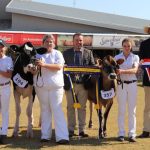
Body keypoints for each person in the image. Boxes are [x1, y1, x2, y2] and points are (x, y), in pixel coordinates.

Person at [33, 34, 69, 144]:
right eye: (47, 41)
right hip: (41, 87)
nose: (49, 43)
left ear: (54, 43)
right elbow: (34, 72)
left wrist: (43, 64)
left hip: (56, 87)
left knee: (57, 109)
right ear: (42, 43)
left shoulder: (58, 53)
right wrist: (34, 68)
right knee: (45, 110)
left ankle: (62, 136)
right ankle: (45, 135)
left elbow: (58, 67)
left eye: (51, 42)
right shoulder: (37, 54)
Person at [63, 33, 95, 138]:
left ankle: (82, 130)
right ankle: (71, 130)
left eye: (80, 40)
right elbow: (61, 68)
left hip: (83, 85)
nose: (79, 42)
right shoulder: (66, 53)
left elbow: (93, 67)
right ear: (73, 41)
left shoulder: (88, 52)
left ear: (83, 41)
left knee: (82, 108)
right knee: (70, 107)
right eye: (76, 40)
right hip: (70, 84)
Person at [114, 38, 139, 142]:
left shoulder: (135, 57)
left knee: (132, 111)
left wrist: (122, 71)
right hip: (121, 85)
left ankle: (132, 134)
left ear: (131, 46)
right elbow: (114, 70)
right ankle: (121, 133)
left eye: (128, 46)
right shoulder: (116, 57)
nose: (127, 48)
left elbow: (135, 70)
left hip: (133, 84)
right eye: (125, 46)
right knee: (121, 110)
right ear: (122, 46)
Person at [0, 39, 13, 144]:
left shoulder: (8, 59)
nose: (0, 48)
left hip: (5, 87)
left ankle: (3, 133)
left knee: (4, 110)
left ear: (4, 48)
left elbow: (9, 75)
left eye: (1, 46)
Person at [138, 26, 150, 138]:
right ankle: (146, 130)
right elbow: (142, 61)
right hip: (148, 80)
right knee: (147, 107)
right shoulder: (144, 44)